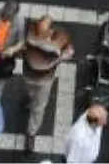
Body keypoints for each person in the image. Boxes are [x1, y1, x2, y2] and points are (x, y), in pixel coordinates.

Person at [20, 12, 74, 146]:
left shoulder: (58, 39)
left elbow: (68, 51)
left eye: (44, 29)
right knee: (32, 94)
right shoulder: (31, 34)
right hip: (28, 76)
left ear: (50, 29)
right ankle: (30, 100)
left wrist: (58, 56)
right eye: (39, 27)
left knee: (39, 107)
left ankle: (31, 133)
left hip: (44, 80)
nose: (40, 31)